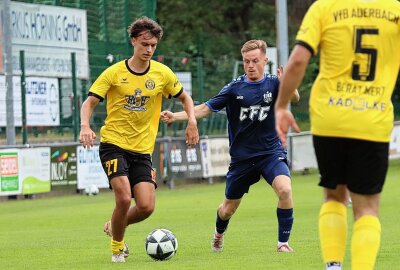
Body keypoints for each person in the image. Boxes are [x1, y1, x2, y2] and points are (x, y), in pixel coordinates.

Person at [274, 1, 400, 270]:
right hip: (372, 119)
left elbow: (297, 61)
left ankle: (333, 266)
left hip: (329, 118)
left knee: (335, 197)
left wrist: (282, 105)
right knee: (366, 209)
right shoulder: (394, 10)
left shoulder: (324, 7)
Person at [160, 40, 300, 253]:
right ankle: (218, 235)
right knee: (227, 210)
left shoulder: (274, 82)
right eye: (246, 61)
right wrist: (176, 116)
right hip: (242, 159)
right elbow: (205, 109)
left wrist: (288, 83)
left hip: (271, 153)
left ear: (265, 60)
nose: (250, 65)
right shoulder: (234, 88)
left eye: (255, 61)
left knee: (285, 189)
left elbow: (295, 98)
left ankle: (283, 243)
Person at [79, 16, 199, 263]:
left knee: (146, 207)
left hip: (142, 150)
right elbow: (89, 103)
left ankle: (115, 224)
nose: (149, 49)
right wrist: (85, 126)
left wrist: (191, 121)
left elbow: (185, 98)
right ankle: (117, 248)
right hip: (113, 144)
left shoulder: (162, 73)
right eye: (144, 44)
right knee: (123, 197)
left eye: (153, 45)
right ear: (133, 41)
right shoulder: (113, 73)